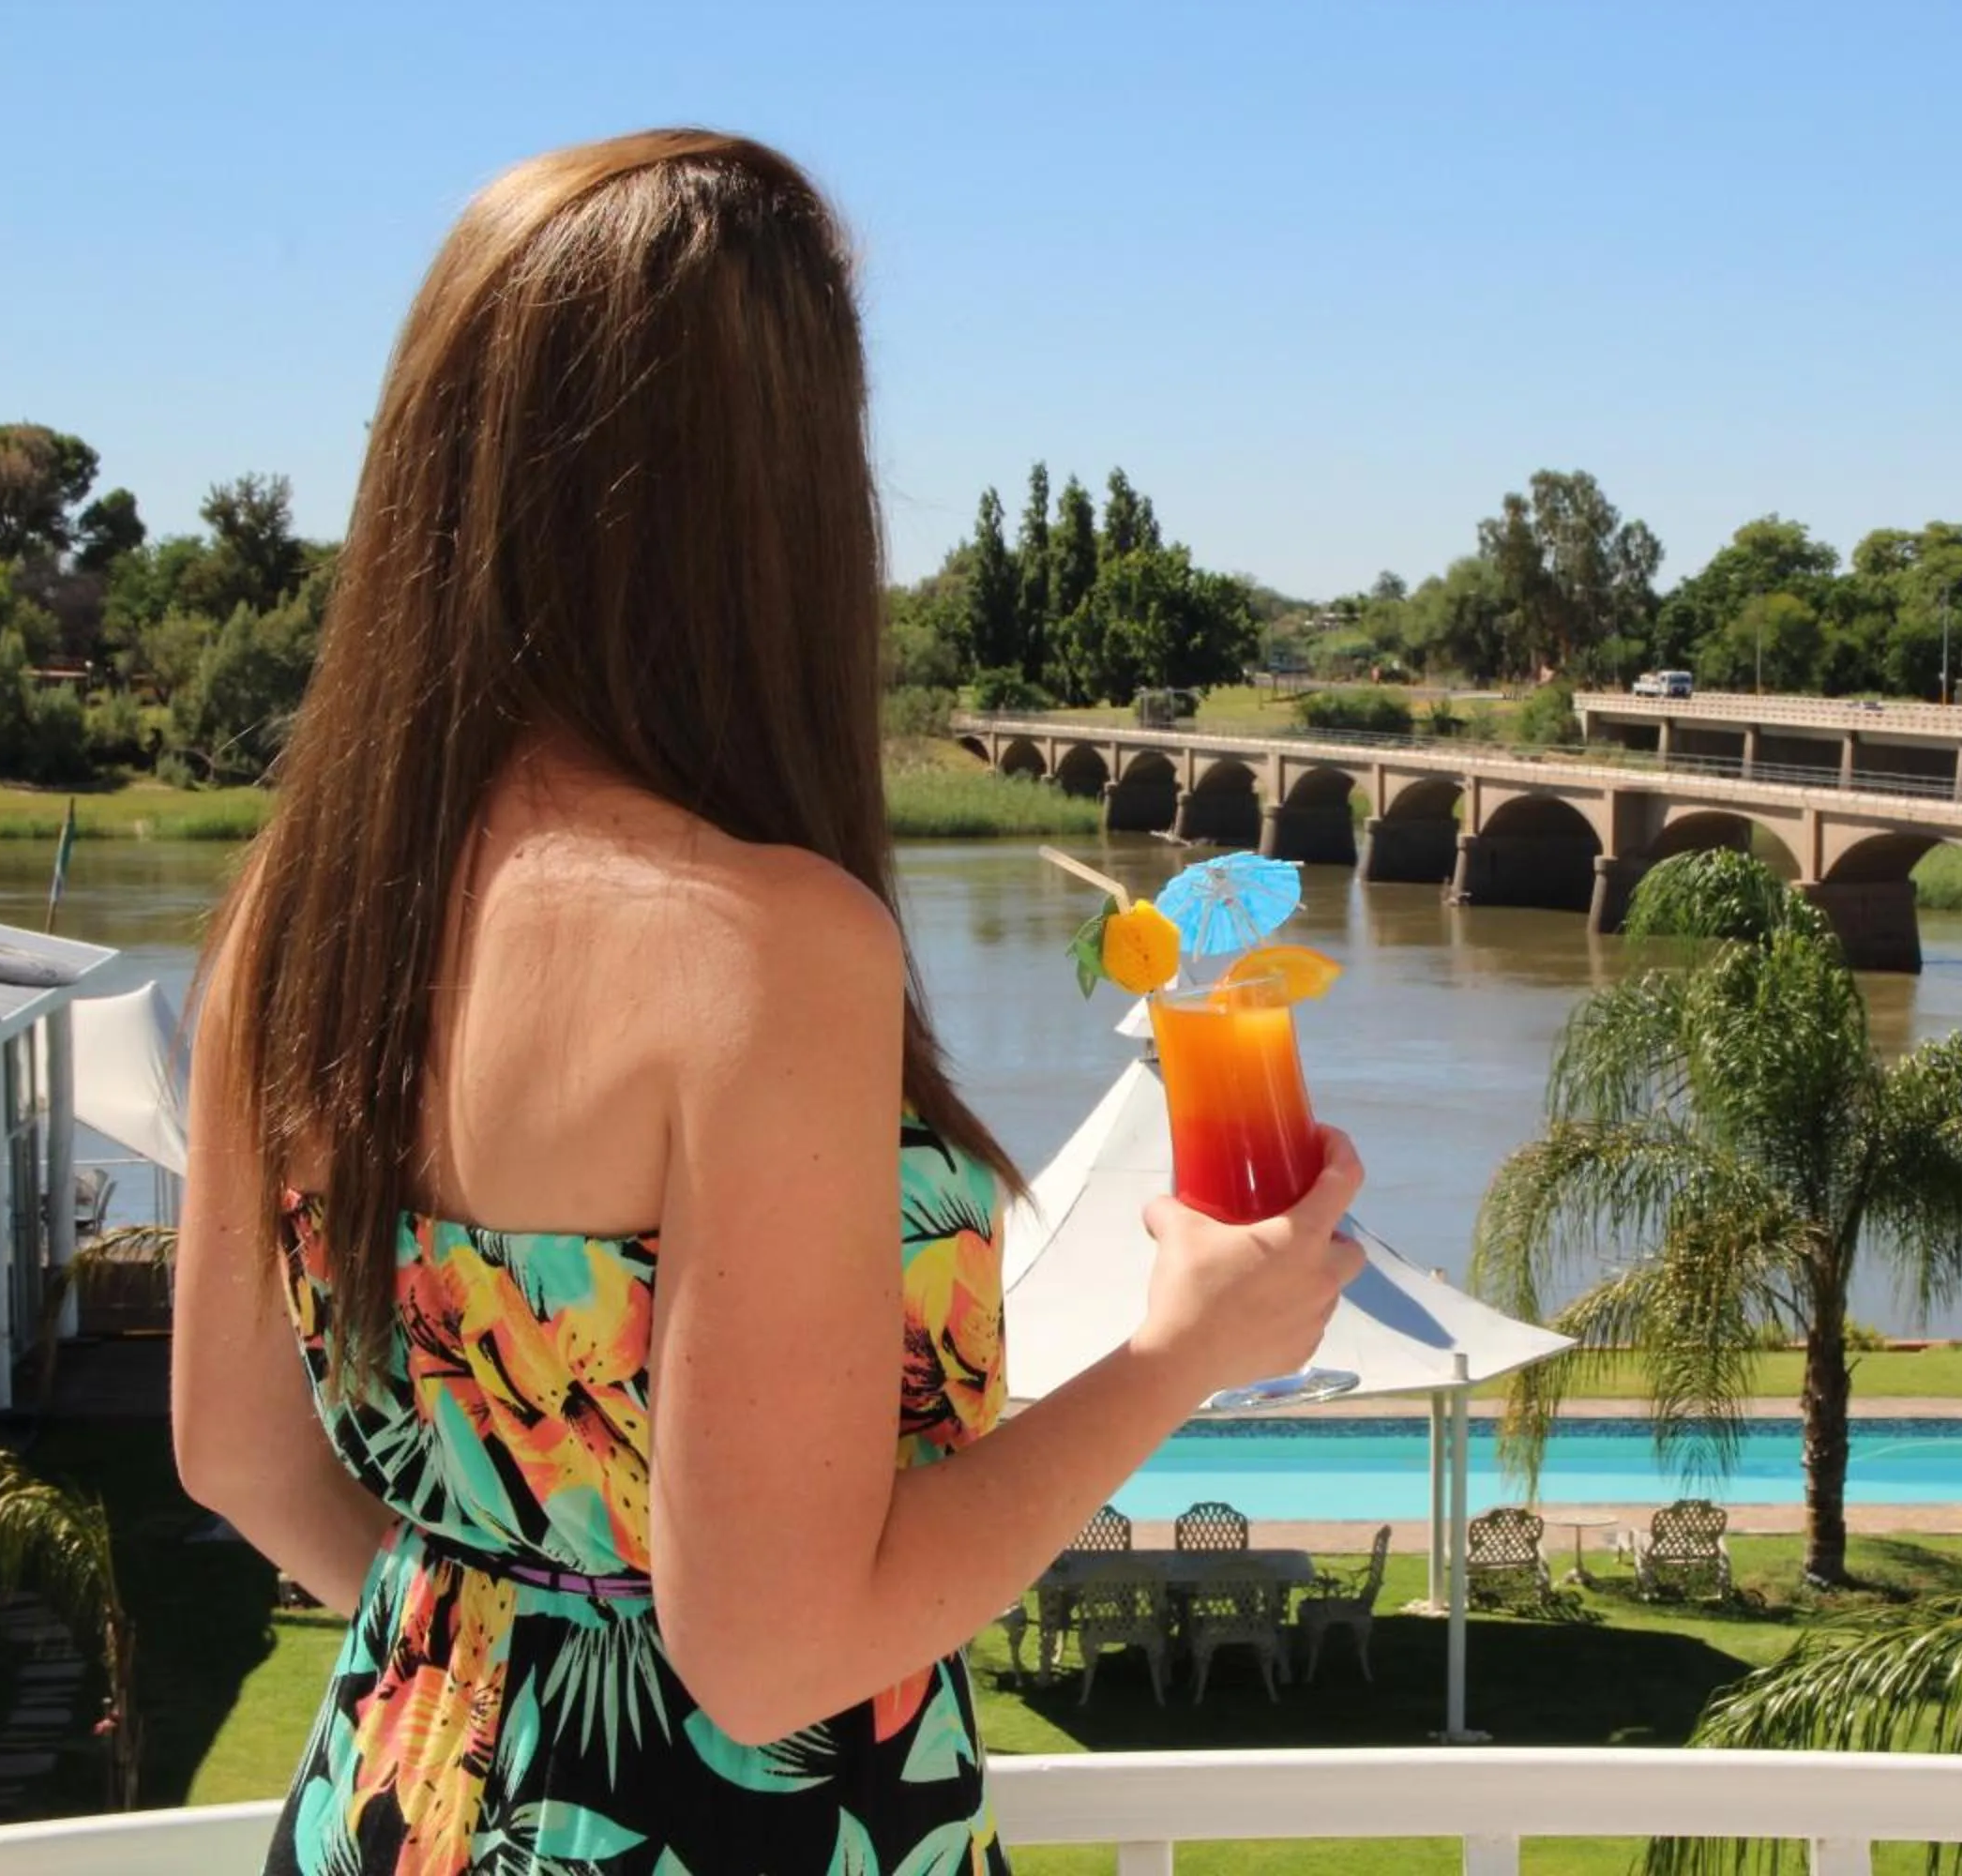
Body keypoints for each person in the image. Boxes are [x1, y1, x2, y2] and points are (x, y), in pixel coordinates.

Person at [174, 129, 1364, 1876]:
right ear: (778, 497)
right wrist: (1180, 1358)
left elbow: (236, 1456)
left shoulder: (297, 901)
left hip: (398, 1796)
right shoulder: (762, 948)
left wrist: (530, 1650)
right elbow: (773, 1661)